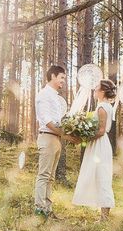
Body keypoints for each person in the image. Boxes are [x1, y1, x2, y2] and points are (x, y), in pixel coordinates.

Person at [34, 65, 77, 217]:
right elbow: (46, 120)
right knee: (44, 175)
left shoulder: (55, 97)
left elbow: (57, 120)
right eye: (62, 78)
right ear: (53, 76)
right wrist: (64, 135)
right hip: (47, 136)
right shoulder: (44, 94)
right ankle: (40, 209)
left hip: (56, 139)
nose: (63, 81)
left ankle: (48, 209)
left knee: (51, 177)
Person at [72, 79, 116, 220]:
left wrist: (84, 138)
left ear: (102, 92)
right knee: (100, 175)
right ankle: (103, 215)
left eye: (97, 88)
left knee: (102, 177)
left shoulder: (102, 107)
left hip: (100, 145)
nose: (95, 91)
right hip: (100, 144)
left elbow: (101, 131)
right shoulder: (106, 106)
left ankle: (104, 217)